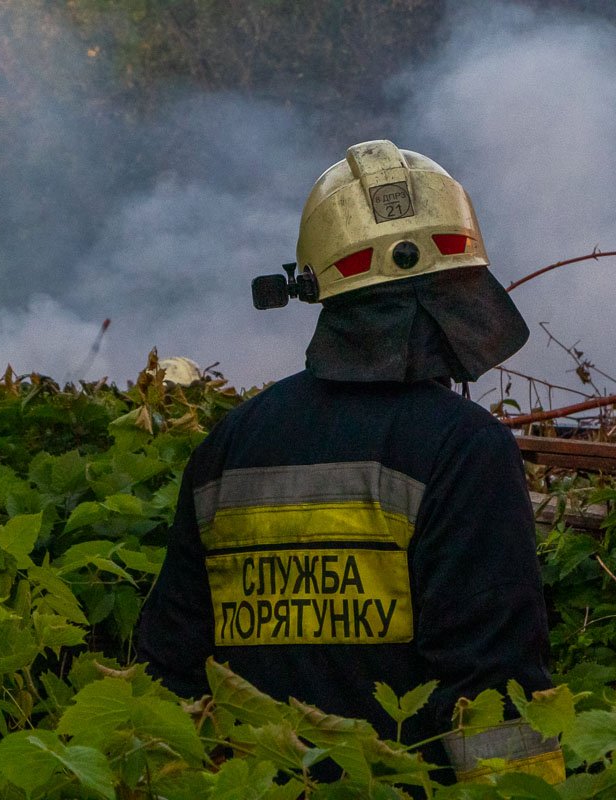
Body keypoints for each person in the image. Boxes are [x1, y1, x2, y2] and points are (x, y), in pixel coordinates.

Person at [137, 139, 564, 784]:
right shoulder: (467, 450)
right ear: (459, 295)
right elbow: (493, 691)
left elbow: (167, 667)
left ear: (317, 286)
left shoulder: (229, 446)